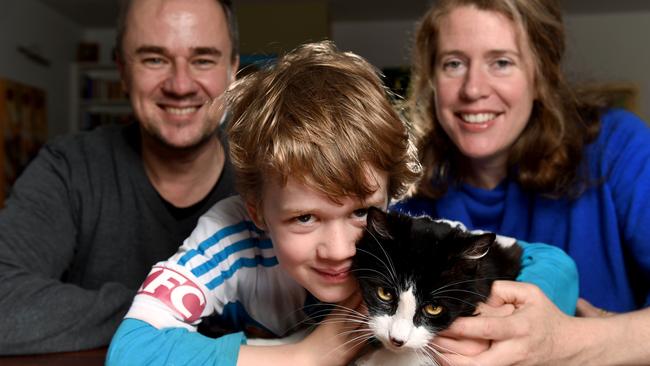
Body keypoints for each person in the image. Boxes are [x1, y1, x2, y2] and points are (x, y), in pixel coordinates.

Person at [107, 40, 578, 366]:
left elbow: (552, 262)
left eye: (358, 212)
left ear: (389, 198)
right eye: (304, 217)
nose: (339, 249)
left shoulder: (395, 236)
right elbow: (130, 351)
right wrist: (308, 355)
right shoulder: (231, 238)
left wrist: (492, 325)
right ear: (257, 209)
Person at [397, 0, 650, 364]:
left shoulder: (618, 149)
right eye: (453, 63)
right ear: (431, 79)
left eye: (501, 62)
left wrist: (572, 341)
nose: (473, 89)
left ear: (540, 76)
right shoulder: (404, 196)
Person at [0, 0, 239, 354]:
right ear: (122, 72)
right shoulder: (68, 166)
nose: (180, 84)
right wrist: (163, 311)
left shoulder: (273, 174)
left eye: (203, 59)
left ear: (233, 70)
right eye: (154, 59)